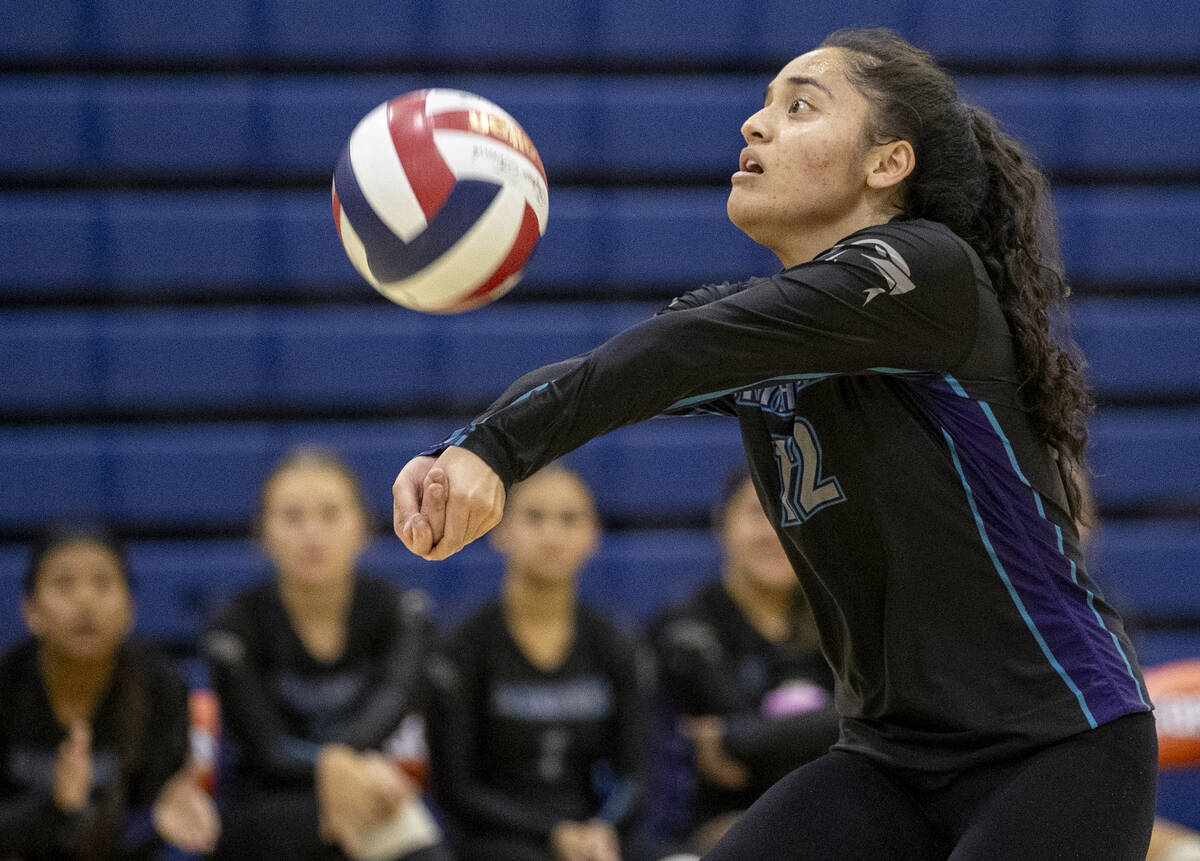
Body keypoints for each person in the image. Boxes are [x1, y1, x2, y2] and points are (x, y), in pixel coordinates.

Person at [392, 27, 1157, 861]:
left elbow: (680, 349)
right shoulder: (770, 330)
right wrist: (464, 451)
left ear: (887, 163)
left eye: (798, 107)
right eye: (761, 107)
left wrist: (497, 449)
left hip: (1059, 743)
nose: (755, 126)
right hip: (892, 760)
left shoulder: (927, 270)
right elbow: (620, 370)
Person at [204, 448, 447, 861]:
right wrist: (335, 770)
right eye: (293, 517)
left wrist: (344, 770)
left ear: (362, 528)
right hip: (268, 803)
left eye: (330, 514)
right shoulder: (234, 626)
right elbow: (267, 747)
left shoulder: (402, 612)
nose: (312, 533)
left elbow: (393, 703)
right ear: (263, 533)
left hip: (373, 791)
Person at [422, 464, 647, 861]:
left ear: (594, 536)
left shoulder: (616, 644)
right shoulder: (463, 648)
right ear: (499, 531)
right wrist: (553, 835)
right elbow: (455, 789)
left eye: (569, 519)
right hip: (493, 842)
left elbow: (636, 776)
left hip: (592, 840)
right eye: (534, 517)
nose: (552, 535)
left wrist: (603, 829)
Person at [0, 522, 219, 860]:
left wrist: (175, 810)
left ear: (130, 609)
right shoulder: (7, 683)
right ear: (30, 610)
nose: (85, 601)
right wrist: (56, 808)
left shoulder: (161, 685)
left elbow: (155, 818)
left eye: (103, 583)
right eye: (64, 584)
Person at [649, 470, 838, 854]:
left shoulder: (840, 627)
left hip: (828, 822)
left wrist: (740, 737)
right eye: (757, 512)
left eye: (787, 515)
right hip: (710, 832)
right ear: (722, 521)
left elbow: (864, 725)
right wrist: (817, 733)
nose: (774, 532)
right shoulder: (685, 628)